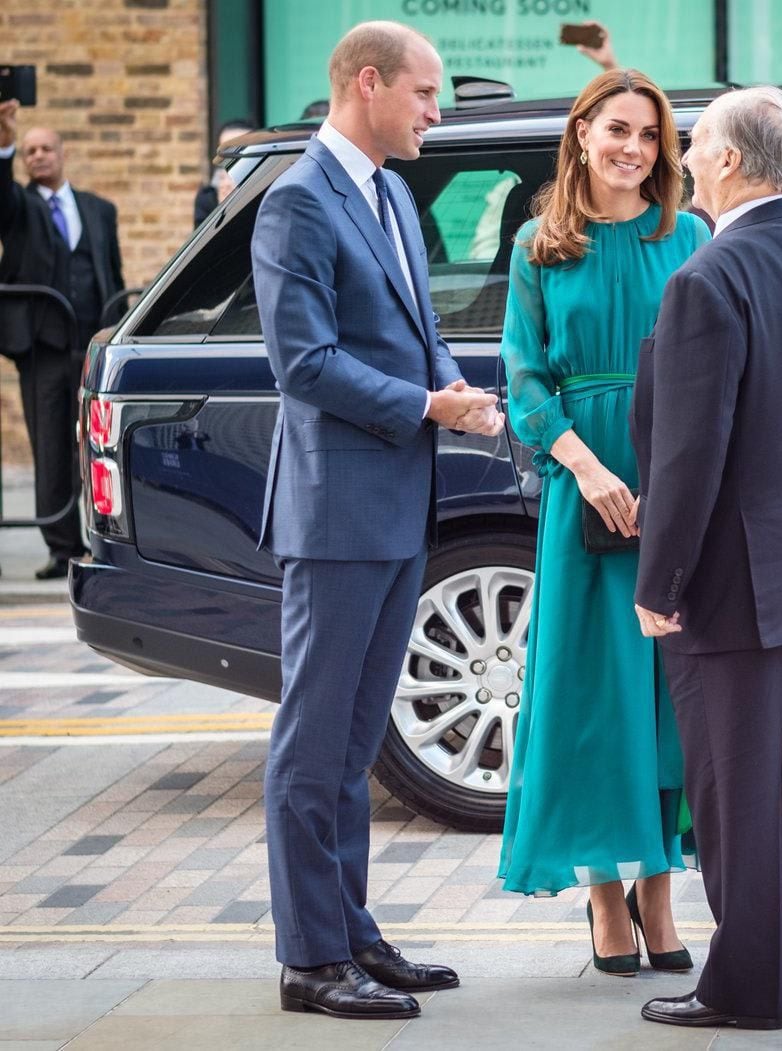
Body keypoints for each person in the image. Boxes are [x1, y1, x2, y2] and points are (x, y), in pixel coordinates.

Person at [251, 21, 504, 1021]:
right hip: (335, 511)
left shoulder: (392, 191)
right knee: (313, 741)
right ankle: (309, 958)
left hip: (399, 501)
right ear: (368, 83)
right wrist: (422, 407)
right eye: (426, 94)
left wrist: (455, 389)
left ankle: (349, 930)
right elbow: (301, 364)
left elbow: (411, 334)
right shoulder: (297, 204)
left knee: (355, 739)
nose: (436, 113)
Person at [631, 86, 782, 1029]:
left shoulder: (706, 276)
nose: (686, 156)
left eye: (695, 144)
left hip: (737, 576)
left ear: (730, 161)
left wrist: (660, 582)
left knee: (733, 790)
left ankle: (743, 987)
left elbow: (690, 452)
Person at [497, 68, 709, 976]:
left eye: (651, 136)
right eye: (618, 130)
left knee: (668, 696)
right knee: (589, 697)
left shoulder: (689, 235)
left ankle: (659, 886)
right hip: (583, 496)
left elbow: (712, 366)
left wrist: (682, 475)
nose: (634, 148)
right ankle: (600, 891)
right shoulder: (538, 247)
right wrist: (582, 466)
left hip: (674, 487)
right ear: (581, 132)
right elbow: (523, 378)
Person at [0, 100, 124, 579]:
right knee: (51, 447)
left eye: (45, 148)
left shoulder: (99, 210)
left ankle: (106, 538)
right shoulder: (19, 209)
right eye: (28, 150)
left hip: (93, 346)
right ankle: (61, 547)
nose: (37, 156)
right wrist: (4, 138)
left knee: (99, 444)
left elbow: (110, 272)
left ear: (63, 153)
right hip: (43, 347)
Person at [193, 118, 254, 227]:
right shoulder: (208, 196)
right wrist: (223, 209)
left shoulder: (268, 184)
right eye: (227, 151)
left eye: (241, 150)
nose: (234, 157)